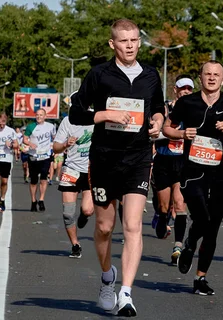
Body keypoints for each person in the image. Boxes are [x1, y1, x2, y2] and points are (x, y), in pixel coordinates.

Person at [68, 19, 165, 316]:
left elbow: (159, 107)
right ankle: (108, 277)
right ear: (113, 44)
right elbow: (75, 113)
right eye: (124, 41)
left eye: (135, 40)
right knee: (104, 227)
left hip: (138, 158)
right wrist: (104, 114)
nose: (131, 46)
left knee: (133, 225)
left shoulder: (150, 75)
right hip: (105, 159)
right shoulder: (99, 75)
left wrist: (159, 121)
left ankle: (126, 293)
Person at [163, 60, 223, 296]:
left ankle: (201, 277)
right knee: (201, 216)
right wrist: (181, 133)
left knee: (213, 228)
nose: (211, 78)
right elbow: (166, 129)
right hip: (192, 170)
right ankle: (190, 242)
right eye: (207, 74)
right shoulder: (186, 102)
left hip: (219, 172)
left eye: (216, 75)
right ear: (201, 77)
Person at [152, 75, 194, 265]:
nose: (186, 91)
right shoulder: (164, 109)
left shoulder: (194, 109)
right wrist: (173, 133)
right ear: (175, 90)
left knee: (179, 204)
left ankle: (177, 246)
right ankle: (161, 218)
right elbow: (153, 133)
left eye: (189, 88)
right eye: (182, 88)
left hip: (182, 161)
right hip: (163, 160)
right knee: (163, 206)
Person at [52, 113, 95, 259]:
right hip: (71, 169)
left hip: (91, 171)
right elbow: (55, 147)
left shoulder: (97, 118)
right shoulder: (68, 121)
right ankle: (75, 244)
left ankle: (84, 215)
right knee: (68, 213)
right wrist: (65, 144)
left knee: (88, 210)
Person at [23, 108, 56, 212]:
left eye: (41, 115)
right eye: (37, 115)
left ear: (45, 116)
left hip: (45, 156)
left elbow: (55, 138)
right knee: (33, 181)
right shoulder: (31, 127)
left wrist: (55, 148)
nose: (39, 117)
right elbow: (25, 139)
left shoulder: (51, 126)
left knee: (43, 178)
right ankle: (33, 201)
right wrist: (29, 143)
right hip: (33, 156)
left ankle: (41, 199)